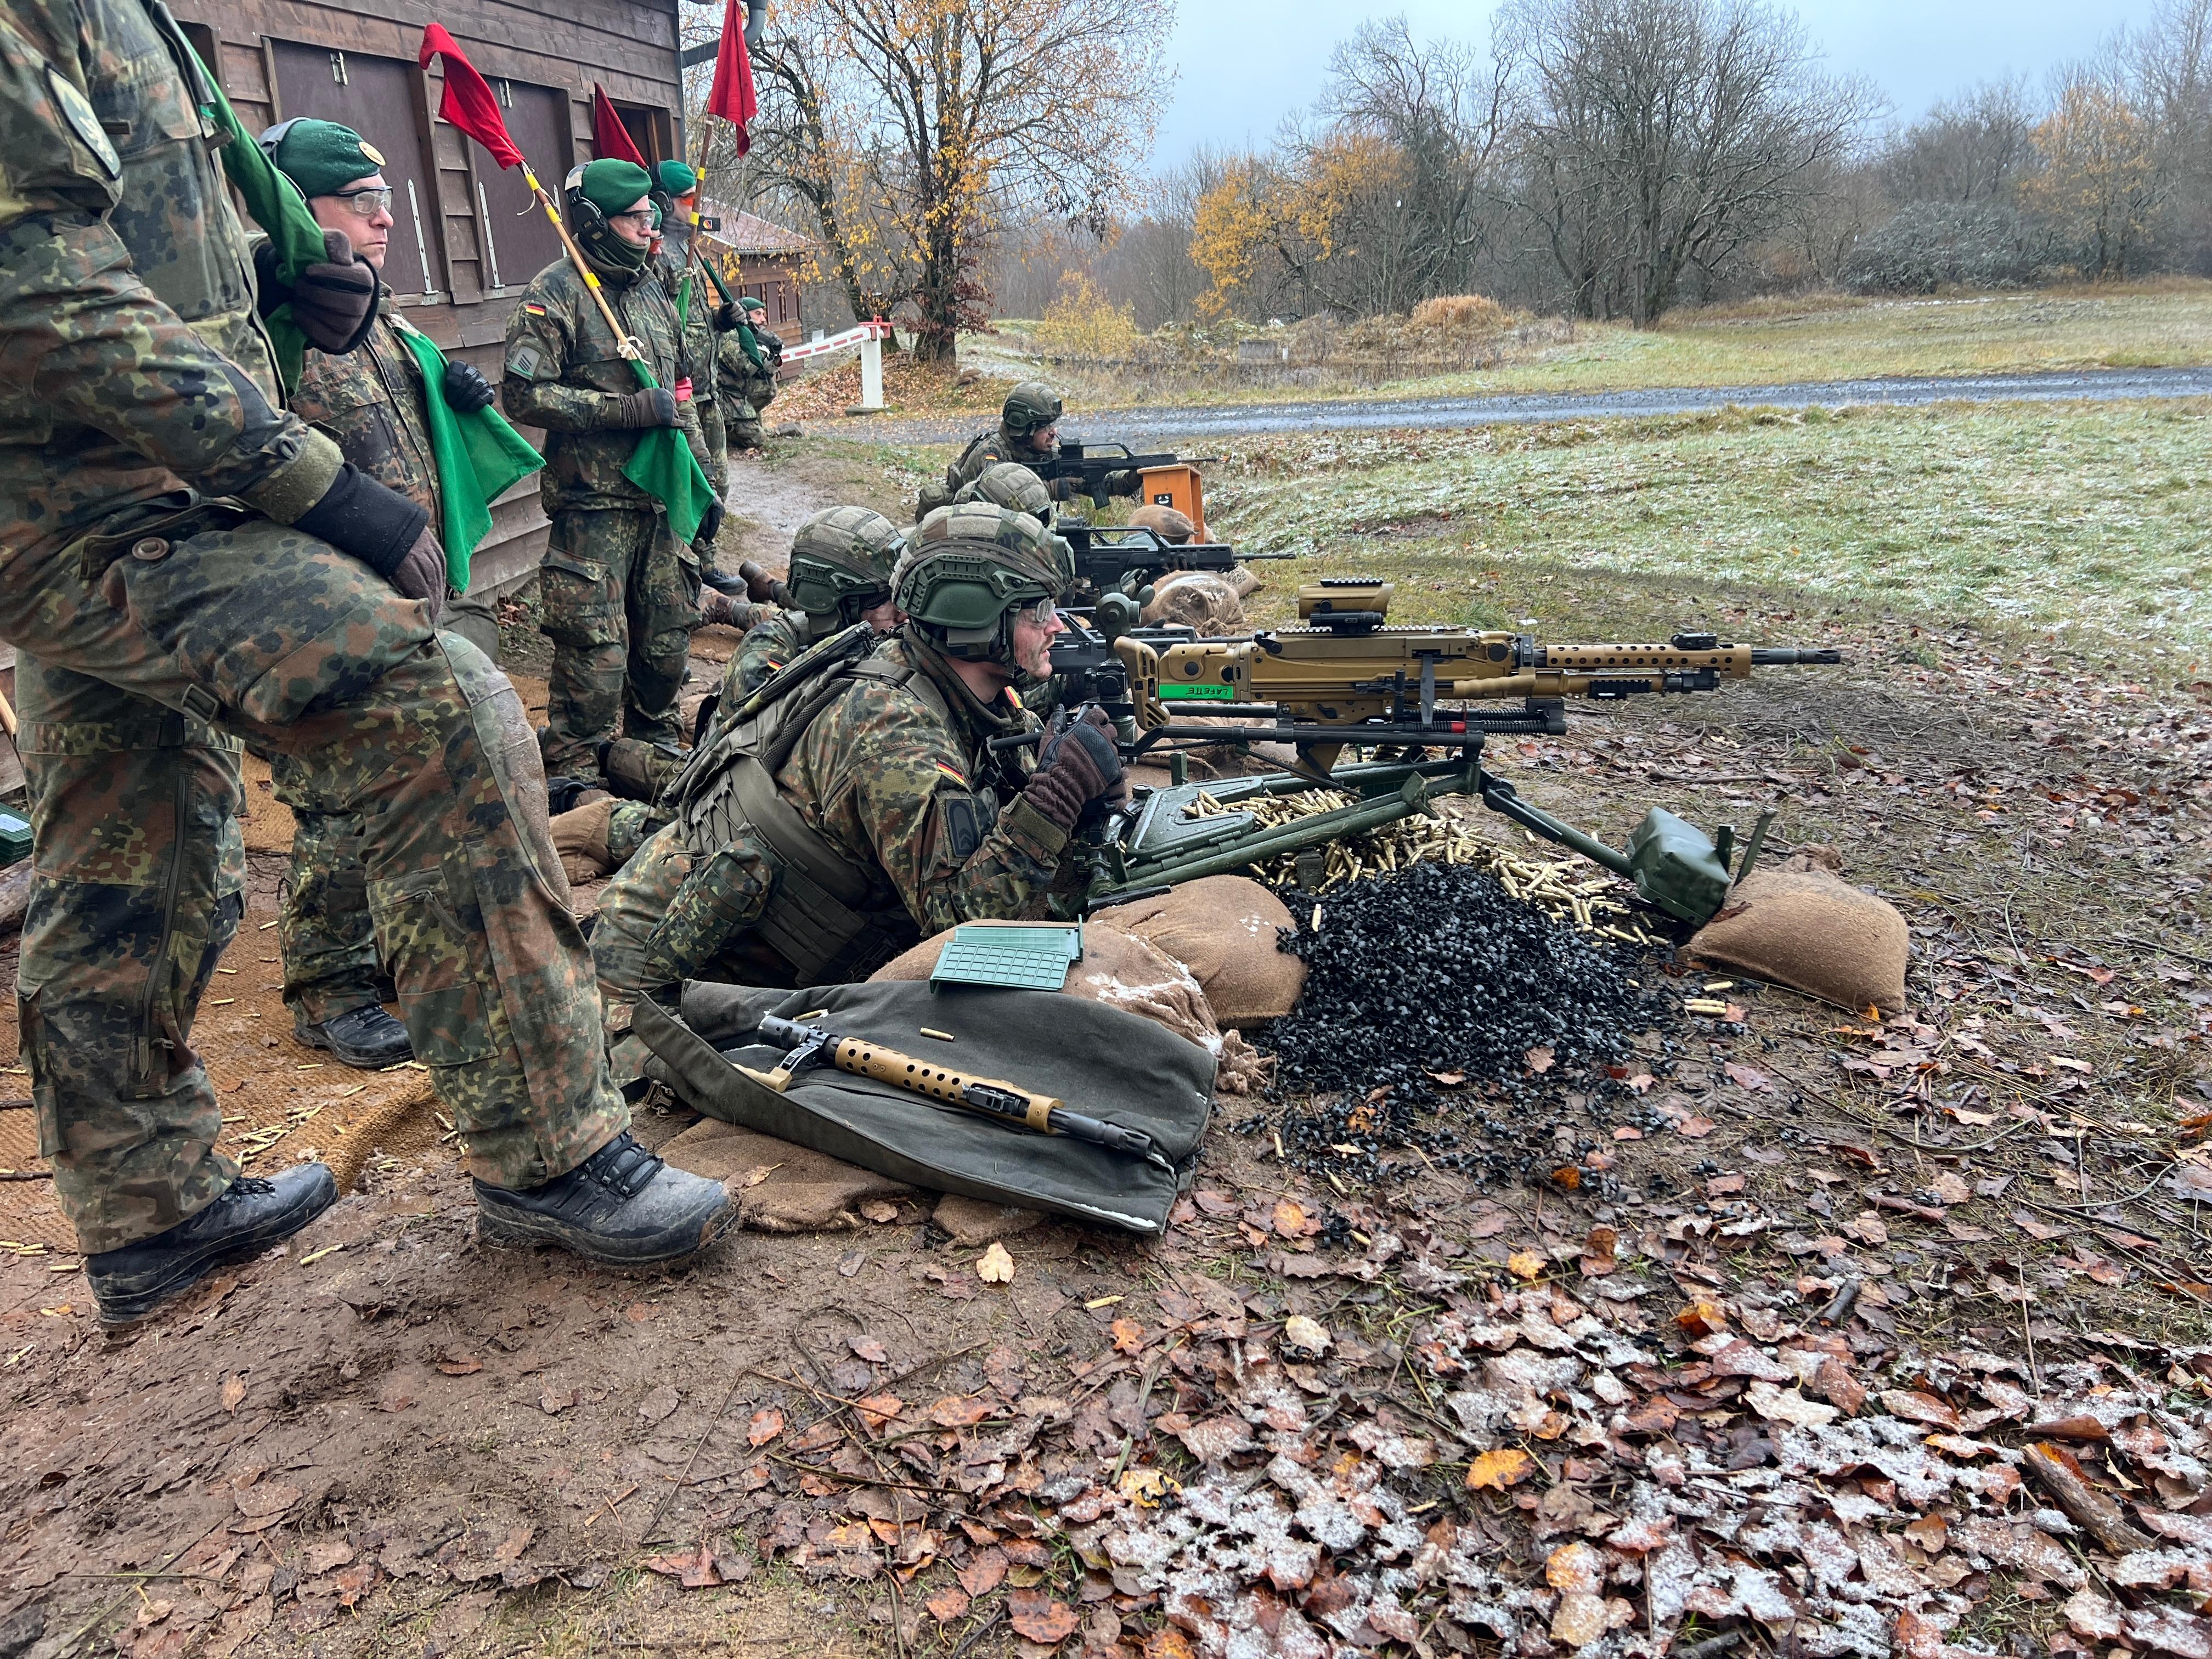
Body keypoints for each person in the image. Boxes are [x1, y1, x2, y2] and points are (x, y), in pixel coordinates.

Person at [1, 0, 730, 1323]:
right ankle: (550, 1149)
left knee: (128, 842)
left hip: (117, 491)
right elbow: (36, 293)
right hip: (99, 508)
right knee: (441, 706)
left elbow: (123, 232)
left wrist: (267, 281)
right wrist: (311, 479)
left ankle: (148, 1209)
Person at [588, 505, 1127, 1005]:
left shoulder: (975, 696)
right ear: (978, 617)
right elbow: (957, 924)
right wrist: (1057, 797)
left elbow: (1016, 805)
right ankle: (587, 823)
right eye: (1039, 610)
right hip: (654, 983)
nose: (1057, 626)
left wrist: (1083, 789)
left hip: (764, 969)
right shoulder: (894, 724)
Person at [266, 116, 514, 1069]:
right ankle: (329, 989)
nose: (386, 219)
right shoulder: (277, 328)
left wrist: (449, 388)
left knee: (412, 778)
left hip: (406, 586)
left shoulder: (379, 313)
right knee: (339, 789)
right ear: (300, 209)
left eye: (387, 201)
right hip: (325, 595)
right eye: (363, 202)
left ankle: (390, 954)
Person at [501, 159, 722, 785]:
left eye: (652, 216)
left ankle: (652, 760)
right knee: (595, 657)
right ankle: (578, 778)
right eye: (635, 219)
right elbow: (522, 394)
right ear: (596, 223)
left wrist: (704, 480)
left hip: (660, 503)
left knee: (666, 645)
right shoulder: (555, 294)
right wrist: (621, 411)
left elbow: (679, 396)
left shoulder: (653, 290)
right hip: (593, 509)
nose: (650, 229)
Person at [719, 296, 783, 454]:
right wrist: (762, 348)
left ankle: (746, 422)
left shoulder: (750, 334)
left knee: (769, 388)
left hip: (740, 392)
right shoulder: (730, 335)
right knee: (758, 439)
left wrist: (773, 356)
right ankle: (728, 429)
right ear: (745, 314)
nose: (763, 319)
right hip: (725, 397)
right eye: (758, 314)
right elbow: (744, 368)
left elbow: (763, 373)